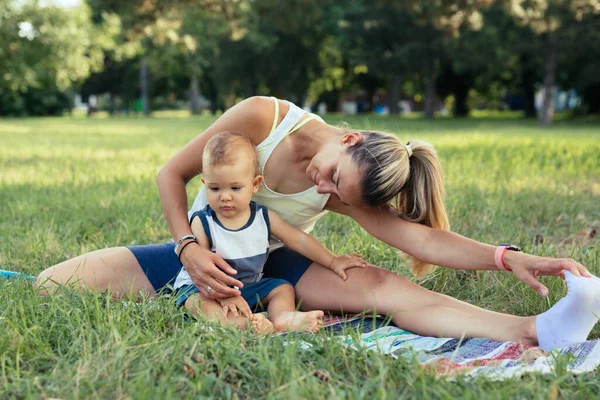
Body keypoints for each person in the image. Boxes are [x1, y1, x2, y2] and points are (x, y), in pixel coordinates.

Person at [35, 96, 600, 351]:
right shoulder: (264, 119)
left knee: (380, 285)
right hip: (203, 252)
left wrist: (509, 256)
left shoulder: (347, 185)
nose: (323, 190)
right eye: (329, 176)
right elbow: (171, 174)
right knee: (53, 285)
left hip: (278, 261)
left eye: (335, 194)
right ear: (348, 138)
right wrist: (186, 247)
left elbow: (421, 238)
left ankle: (534, 330)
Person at [174, 131, 366, 334]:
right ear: (205, 184)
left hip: (247, 286)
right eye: (215, 189)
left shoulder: (263, 217)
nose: (225, 197)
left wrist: (333, 261)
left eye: (236, 188)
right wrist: (224, 296)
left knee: (282, 288)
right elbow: (202, 270)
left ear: (255, 184)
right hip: (205, 289)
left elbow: (298, 240)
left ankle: (283, 317)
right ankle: (243, 326)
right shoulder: (203, 222)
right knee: (198, 304)